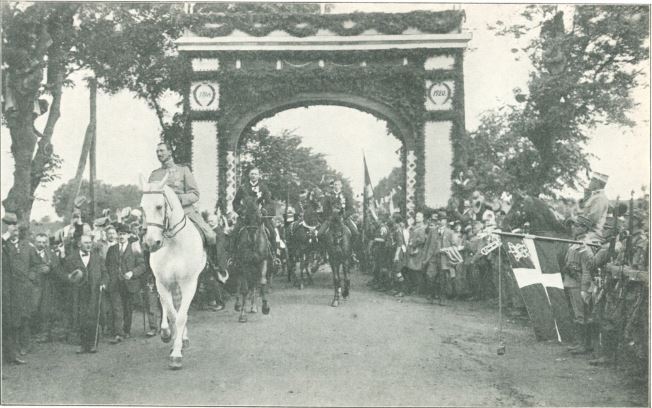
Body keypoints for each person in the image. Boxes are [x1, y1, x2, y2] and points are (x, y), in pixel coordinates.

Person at [148, 142, 217, 259]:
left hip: (186, 212)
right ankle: (148, 272)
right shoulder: (154, 175)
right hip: (161, 216)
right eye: (157, 151)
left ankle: (213, 267)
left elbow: (195, 194)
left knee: (210, 236)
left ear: (170, 152)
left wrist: (178, 199)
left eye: (162, 151)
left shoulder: (183, 170)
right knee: (145, 242)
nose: (159, 154)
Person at [64, 234, 108, 354]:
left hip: (94, 290)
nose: (89, 245)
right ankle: (83, 344)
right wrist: (70, 277)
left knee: (93, 316)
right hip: (79, 292)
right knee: (82, 317)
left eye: (90, 242)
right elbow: (65, 274)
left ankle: (93, 344)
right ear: (79, 244)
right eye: (86, 243)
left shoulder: (97, 258)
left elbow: (105, 273)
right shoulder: (71, 258)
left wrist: (104, 283)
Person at [105, 223, 145, 343]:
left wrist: (132, 273)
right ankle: (119, 333)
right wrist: (109, 279)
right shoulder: (112, 249)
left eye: (123, 234)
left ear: (128, 235)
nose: (121, 236)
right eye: (119, 234)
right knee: (117, 308)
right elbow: (106, 266)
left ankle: (126, 330)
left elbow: (142, 266)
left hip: (130, 284)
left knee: (128, 309)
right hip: (115, 284)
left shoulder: (134, 248)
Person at [563, 215, 597, 355]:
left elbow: (587, 270)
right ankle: (579, 343)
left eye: (576, 225)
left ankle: (584, 345)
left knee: (581, 315)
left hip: (578, 284)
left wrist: (585, 289)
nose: (573, 228)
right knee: (578, 314)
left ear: (584, 228)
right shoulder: (575, 243)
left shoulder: (584, 246)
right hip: (571, 282)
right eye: (573, 225)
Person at [2, 213, 26, 364]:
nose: (12, 227)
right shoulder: (3, 241)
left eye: (13, 224)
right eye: (9, 224)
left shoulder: (6, 244)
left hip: (8, 290)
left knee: (9, 322)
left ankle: (10, 356)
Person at [33, 233, 63, 343]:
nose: (42, 244)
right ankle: (34, 332)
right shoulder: (30, 253)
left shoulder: (51, 254)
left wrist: (50, 269)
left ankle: (44, 334)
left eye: (44, 242)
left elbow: (58, 269)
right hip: (34, 286)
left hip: (48, 286)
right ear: (35, 242)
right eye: (39, 242)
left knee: (45, 309)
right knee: (33, 308)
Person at [579, 172, 609, 244]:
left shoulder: (599, 198)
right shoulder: (595, 196)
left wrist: (576, 222)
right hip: (586, 231)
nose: (590, 183)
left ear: (597, 183)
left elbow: (592, 220)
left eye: (592, 180)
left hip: (593, 234)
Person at [405, 210, 428, 295]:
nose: (417, 218)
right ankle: (413, 288)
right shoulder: (414, 227)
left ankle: (418, 289)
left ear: (422, 218)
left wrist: (413, 243)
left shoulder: (423, 227)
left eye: (419, 216)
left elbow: (422, 240)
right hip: (412, 250)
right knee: (411, 269)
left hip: (418, 251)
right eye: (416, 216)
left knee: (416, 270)